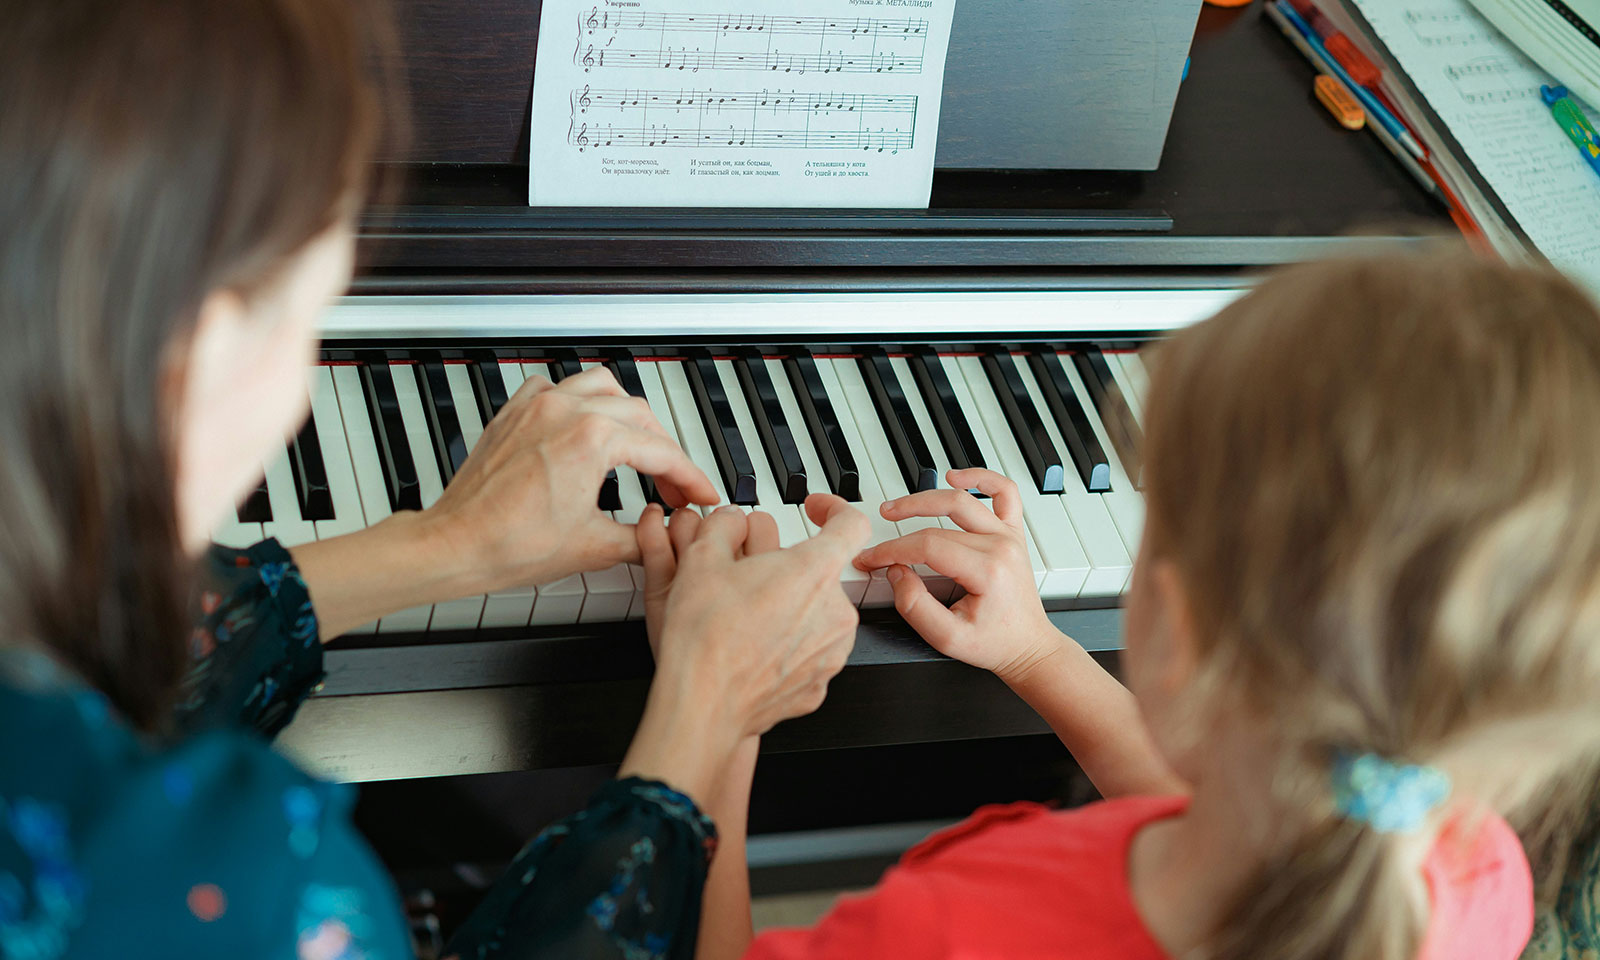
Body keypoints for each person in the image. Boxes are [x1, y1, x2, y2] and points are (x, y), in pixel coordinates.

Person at [0, 1, 868, 958]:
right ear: (197, 353)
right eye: (315, 312)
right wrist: (711, 702)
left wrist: (447, 545)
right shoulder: (261, 892)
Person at [662, 251, 1600, 960]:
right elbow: (1254, 816)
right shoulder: (1468, 867)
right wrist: (1039, 654)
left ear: (1179, 622)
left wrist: (720, 707)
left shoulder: (953, 931)